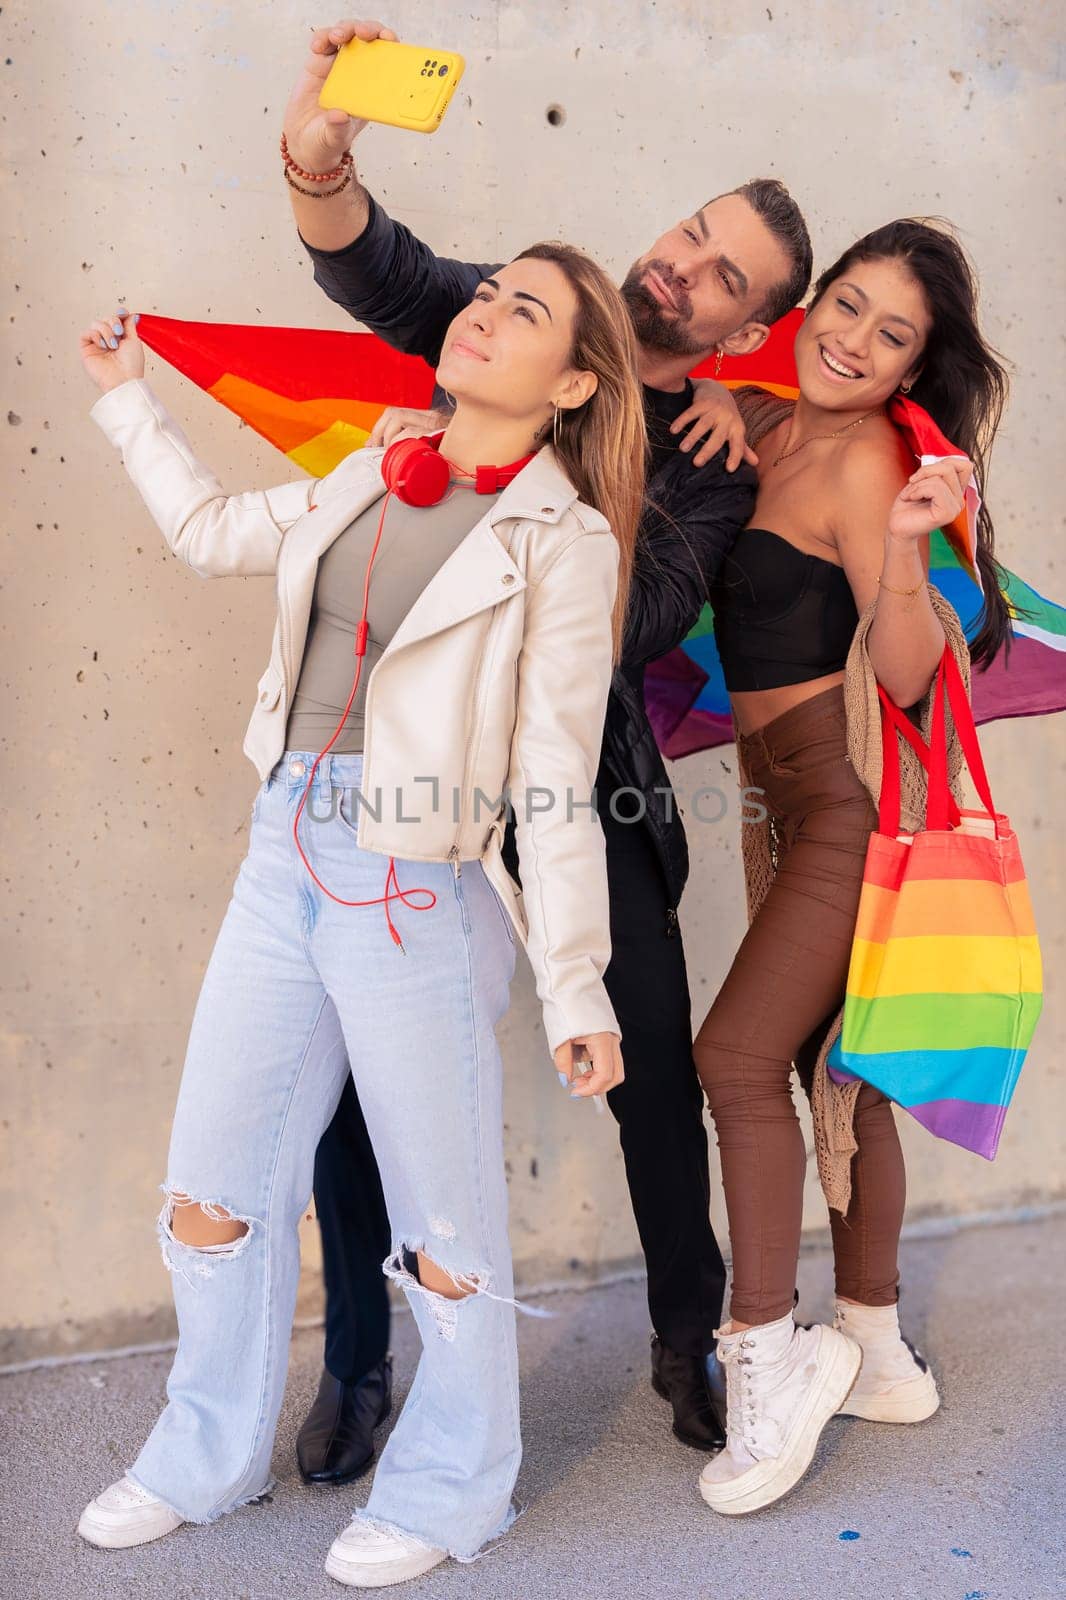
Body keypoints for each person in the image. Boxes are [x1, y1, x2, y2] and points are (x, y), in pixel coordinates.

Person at [281, 16, 814, 1469]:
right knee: (349, 1082)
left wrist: (630, 430)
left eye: (720, 282)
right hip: (404, 777)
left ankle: (685, 1337)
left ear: (733, 329)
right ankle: (360, 1367)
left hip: (583, 788)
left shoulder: (710, 460)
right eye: (688, 236)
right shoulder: (517, 312)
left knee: (650, 1074)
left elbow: (635, 626)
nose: (679, 269)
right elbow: (367, 258)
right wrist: (320, 153)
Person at [75, 238, 646, 1588]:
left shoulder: (563, 544)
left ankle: (456, 1492)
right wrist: (122, 399)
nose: (485, 315)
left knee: (440, 1228)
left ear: (570, 382)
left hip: (415, 883)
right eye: (487, 293)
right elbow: (214, 536)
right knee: (212, 1187)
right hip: (282, 851)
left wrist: (575, 986)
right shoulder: (373, 465)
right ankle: (201, 1455)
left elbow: (553, 780)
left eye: (525, 311)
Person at [691, 219, 1012, 1516]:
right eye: (848, 306)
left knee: (733, 1057)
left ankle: (767, 1365)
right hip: (769, 811)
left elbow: (907, 669)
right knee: (845, 1070)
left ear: (911, 369)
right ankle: (876, 1348)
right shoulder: (766, 421)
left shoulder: (875, 459)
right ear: (811, 298)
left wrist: (902, 546)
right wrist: (704, 392)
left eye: (893, 336)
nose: (855, 341)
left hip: (838, 810)